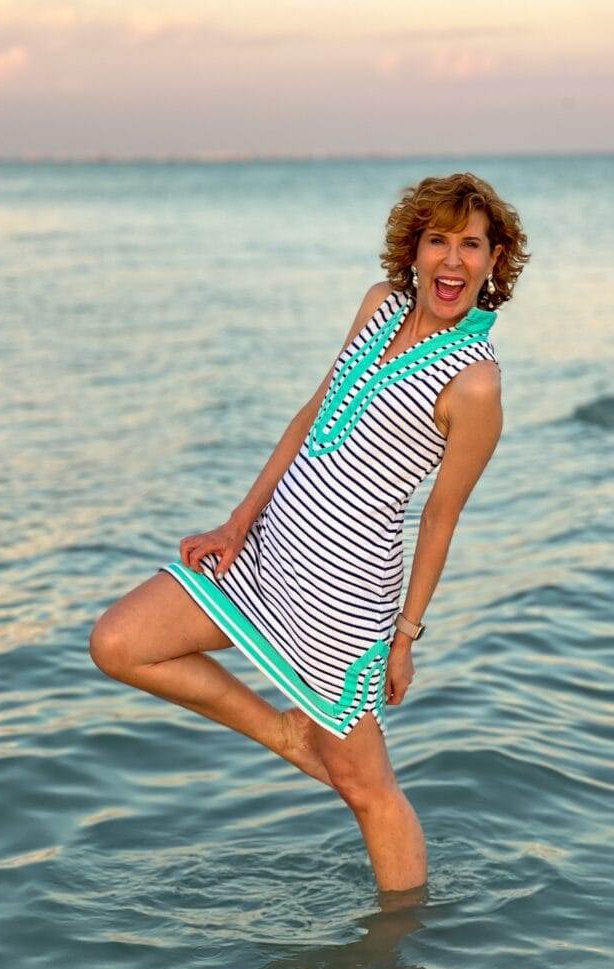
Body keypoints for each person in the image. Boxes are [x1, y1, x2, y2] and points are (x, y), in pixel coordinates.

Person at [89, 171, 530, 894]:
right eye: (439, 241)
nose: (453, 262)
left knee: (369, 792)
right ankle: (285, 734)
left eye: (472, 246)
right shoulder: (379, 307)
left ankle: (399, 962)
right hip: (267, 553)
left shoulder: (475, 384)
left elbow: (440, 516)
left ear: (494, 261)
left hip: (344, 599)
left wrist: (405, 636)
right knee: (119, 641)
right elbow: (311, 414)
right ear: (413, 250)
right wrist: (237, 524)